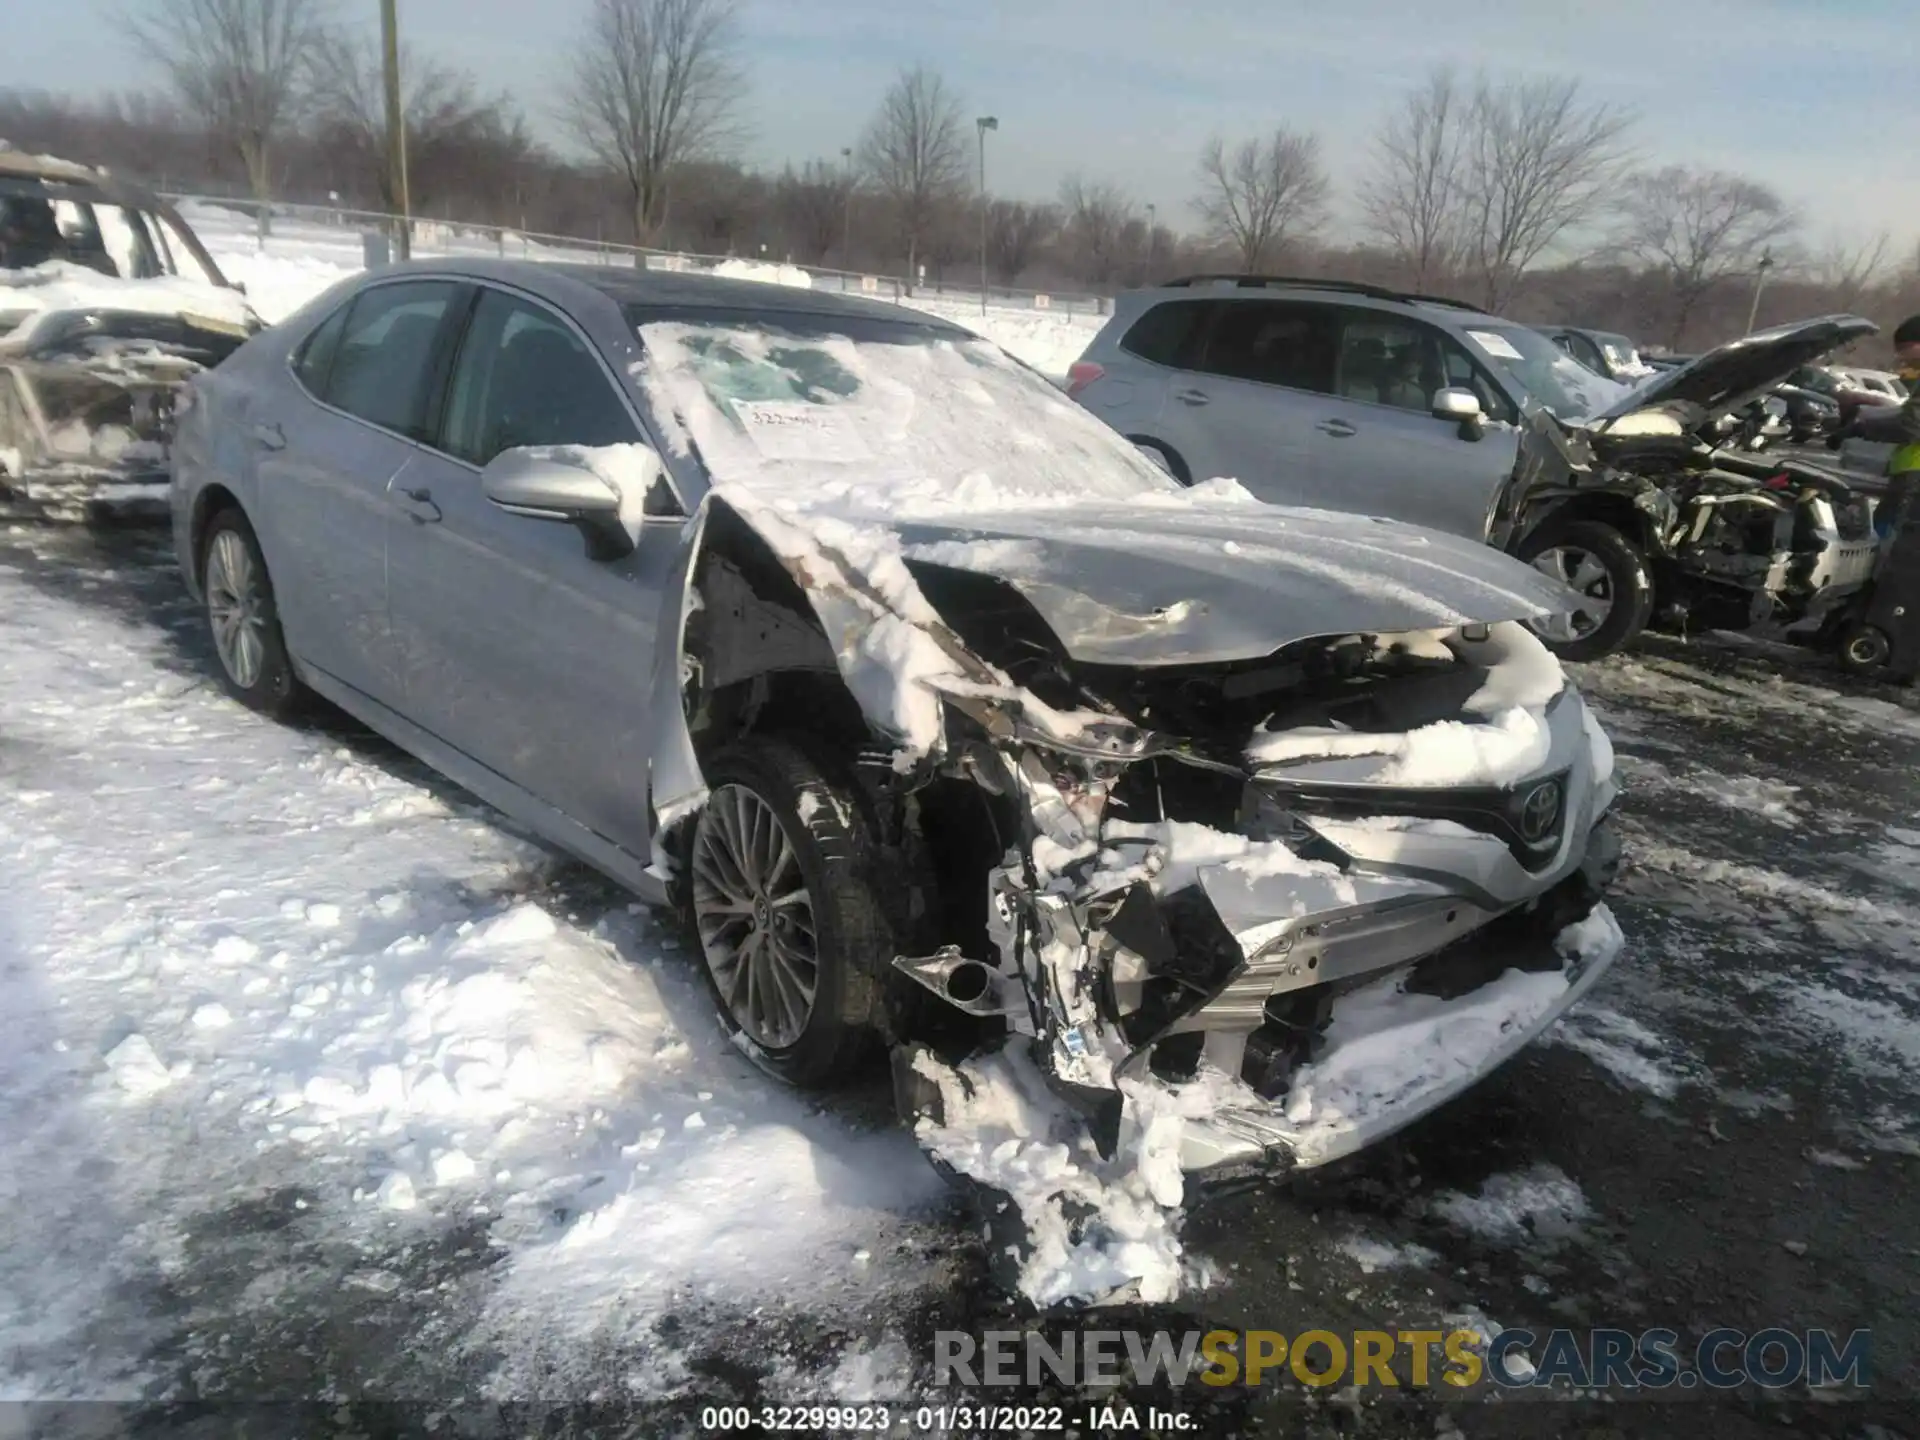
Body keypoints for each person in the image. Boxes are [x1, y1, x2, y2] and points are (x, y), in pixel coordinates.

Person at [1845, 315, 1920, 535]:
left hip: (1915, 480)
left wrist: (1861, 428)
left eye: (1905, 348)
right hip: (1910, 475)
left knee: (1889, 542)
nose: (1902, 356)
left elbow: (1911, 423)